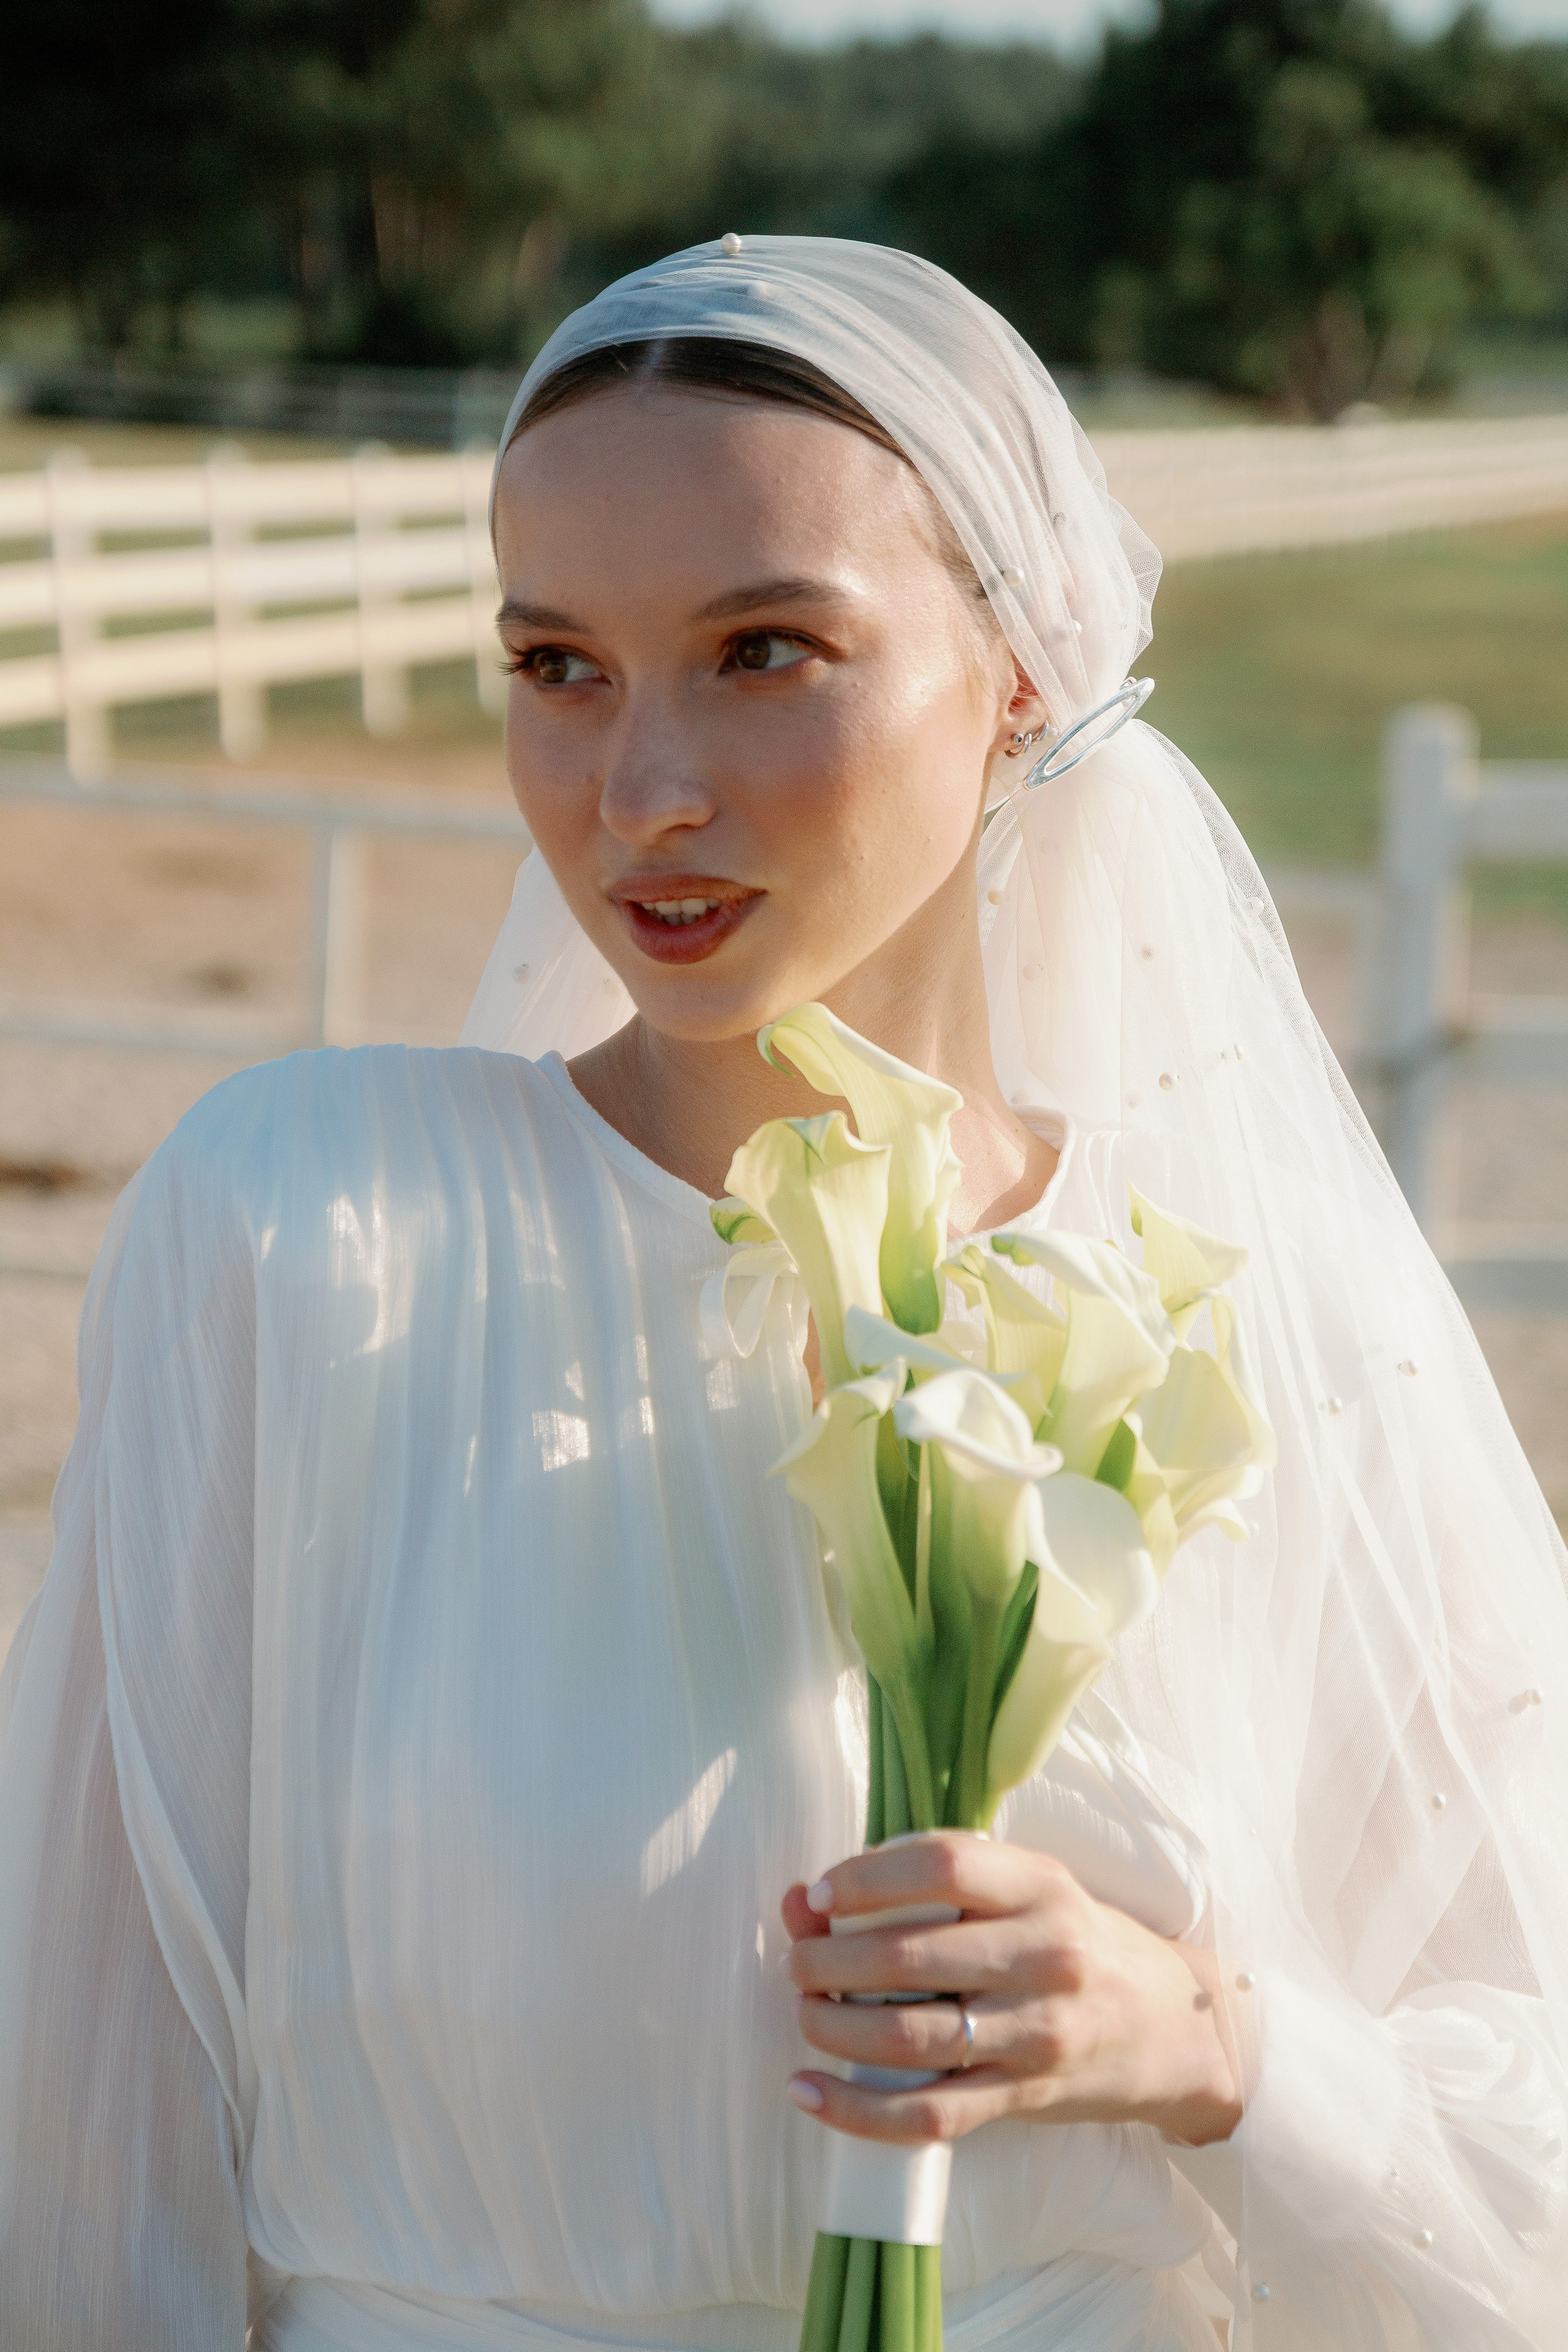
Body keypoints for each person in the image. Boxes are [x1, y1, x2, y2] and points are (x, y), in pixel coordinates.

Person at [1, 238, 1564, 2352]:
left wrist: (1209, 2048)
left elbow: (1526, 2160)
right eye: (555, 665)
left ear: (1020, 666)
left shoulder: (1231, 1328)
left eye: (763, 650)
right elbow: (89, 2139)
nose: (639, 789)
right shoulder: (300, 1233)